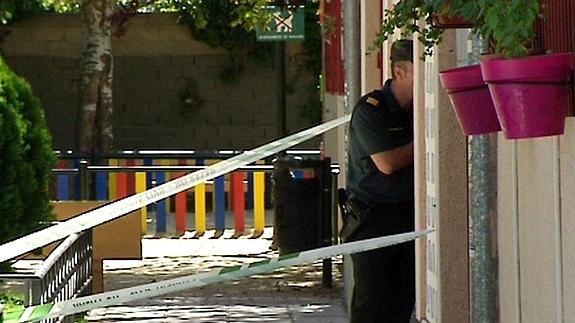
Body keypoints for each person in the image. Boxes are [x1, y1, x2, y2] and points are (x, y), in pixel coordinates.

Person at [345, 39, 415, 323]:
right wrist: (423, 140)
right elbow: (387, 163)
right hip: (372, 221)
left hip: (407, 216)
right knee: (372, 303)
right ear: (400, 72)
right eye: (419, 68)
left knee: (401, 302)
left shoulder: (417, 111)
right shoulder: (370, 110)